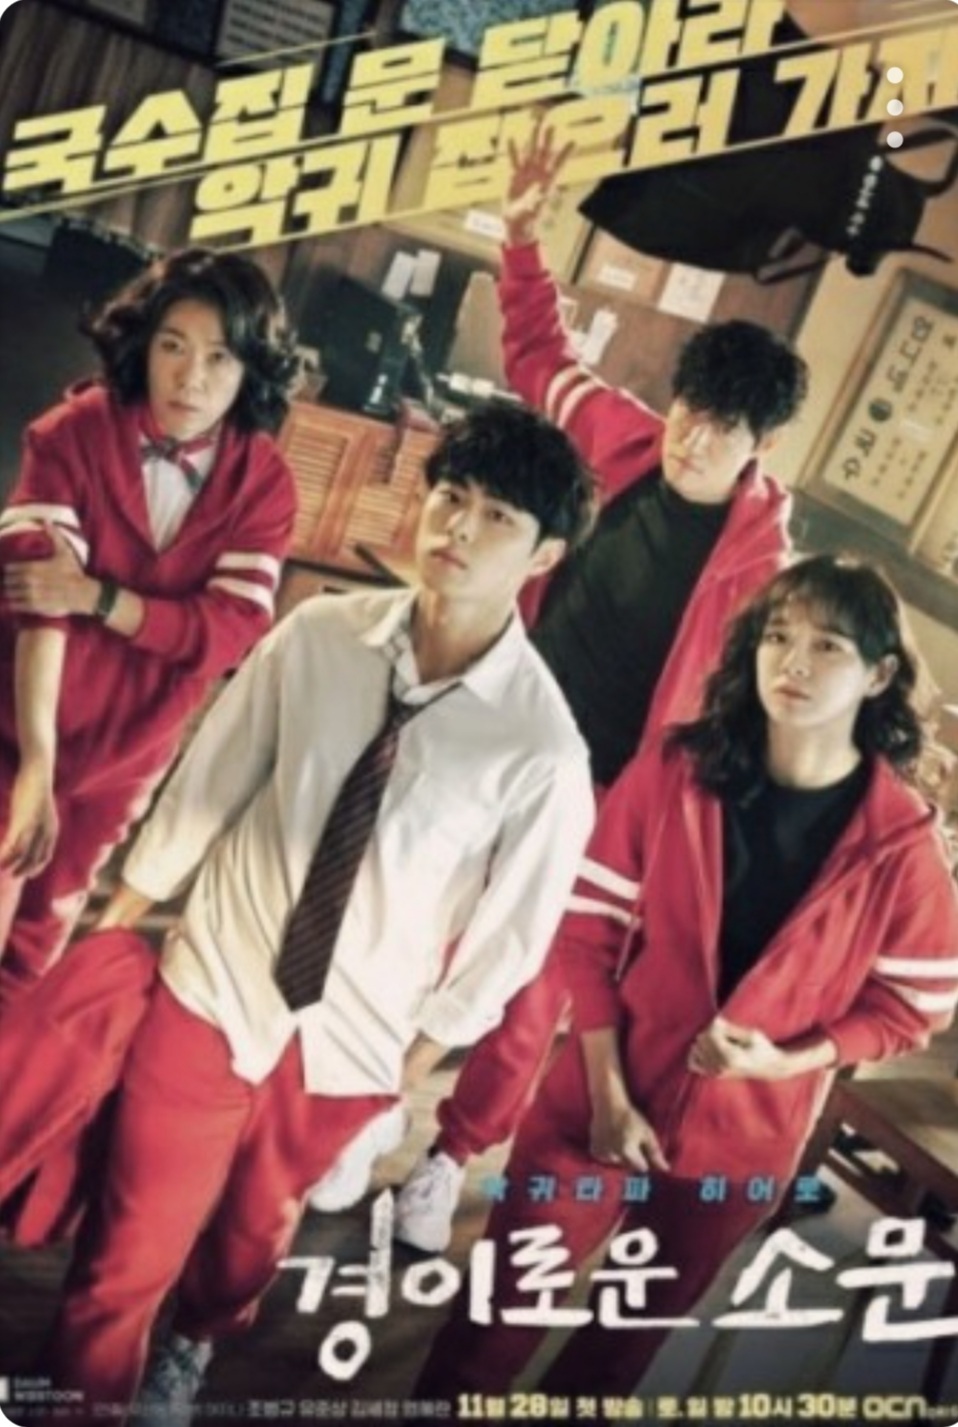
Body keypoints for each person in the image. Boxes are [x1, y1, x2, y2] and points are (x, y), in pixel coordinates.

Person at [36, 401, 596, 1425]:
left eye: (497, 517)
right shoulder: (319, 635)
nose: (457, 529)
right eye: (451, 496)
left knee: (248, 1239)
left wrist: (407, 1067)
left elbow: (509, 940)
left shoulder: (543, 749)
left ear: (545, 553)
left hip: (351, 1040)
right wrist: (123, 919)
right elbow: (212, 780)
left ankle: (197, 1336)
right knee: (129, 1240)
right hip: (215, 978)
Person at [310, 122, 810, 1252]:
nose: (695, 437)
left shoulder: (767, 567)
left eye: (724, 427)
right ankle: (363, 1102)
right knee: (415, 916)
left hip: (612, 795)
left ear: (761, 443)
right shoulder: (624, 440)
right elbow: (539, 350)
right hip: (502, 728)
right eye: (692, 408)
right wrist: (524, 234)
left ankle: (444, 1157)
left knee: (532, 986)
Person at [413, 553, 958, 1401]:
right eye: (778, 636)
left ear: (879, 674)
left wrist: (793, 1058)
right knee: (491, 1320)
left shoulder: (902, 846)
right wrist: (606, 1091)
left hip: (740, 1149)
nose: (793, 662)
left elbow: (915, 1003)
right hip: (592, 1102)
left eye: (827, 646)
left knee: (615, 1354)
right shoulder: (677, 769)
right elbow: (586, 926)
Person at [0, 246, 299, 999]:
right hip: (16, 722)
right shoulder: (71, 432)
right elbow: (40, 600)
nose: (191, 378)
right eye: (173, 346)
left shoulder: (264, 484)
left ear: (250, 369)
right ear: (144, 346)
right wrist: (37, 760)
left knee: (39, 941)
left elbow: (225, 635)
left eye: (219, 357)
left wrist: (100, 598)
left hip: (129, 749)